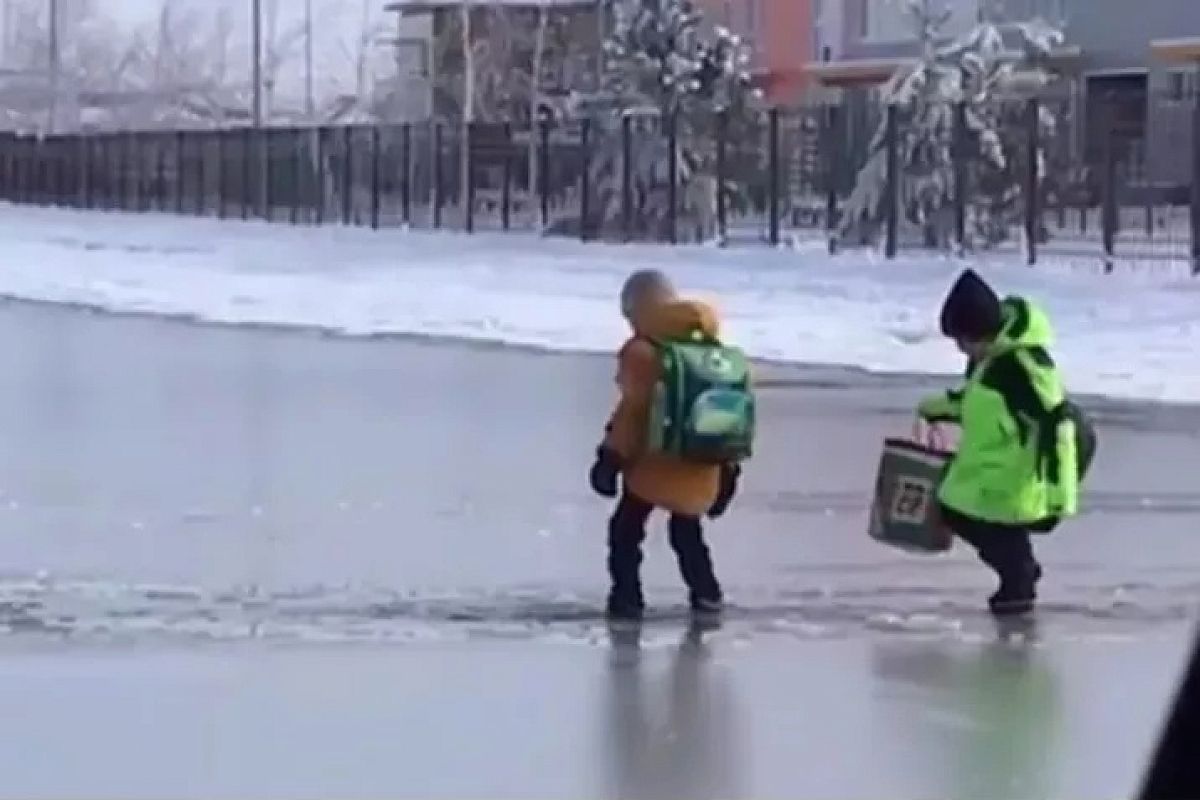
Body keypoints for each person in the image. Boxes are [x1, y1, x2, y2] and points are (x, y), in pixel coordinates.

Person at [917, 269, 1082, 615]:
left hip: (1018, 472)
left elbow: (1060, 427)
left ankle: (1019, 576)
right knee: (961, 509)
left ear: (982, 332)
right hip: (989, 467)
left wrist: (1060, 495)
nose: (961, 349)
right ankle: (1018, 575)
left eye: (963, 340)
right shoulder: (988, 359)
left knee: (963, 511)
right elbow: (976, 400)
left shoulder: (1023, 368)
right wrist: (934, 409)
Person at [589, 269, 743, 621]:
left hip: (655, 464)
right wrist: (728, 471)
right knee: (686, 530)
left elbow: (632, 414)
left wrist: (609, 458)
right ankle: (707, 594)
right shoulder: (711, 349)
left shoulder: (642, 353)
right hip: (703, 462)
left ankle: (627, 598)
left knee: (625, 531)